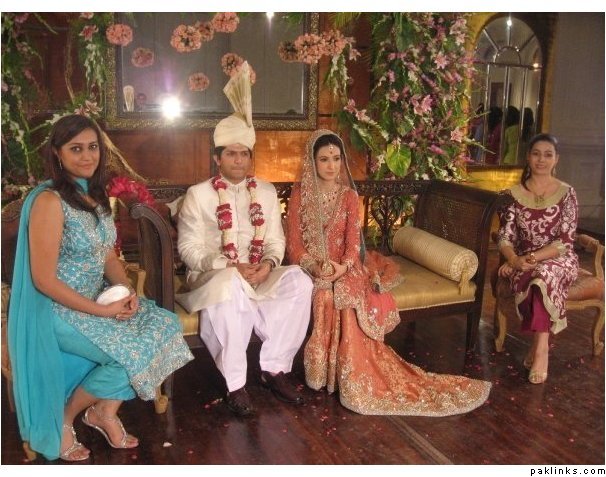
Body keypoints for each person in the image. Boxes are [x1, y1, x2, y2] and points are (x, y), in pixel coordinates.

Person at [7, 114, 194, 462]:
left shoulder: (94, 195)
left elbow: (108, 256)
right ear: (57, 153)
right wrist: (102, 311)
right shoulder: (50, 201)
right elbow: (43, 280)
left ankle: (102, 411)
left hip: (99, 301)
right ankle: (66, 418)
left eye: (92, 147)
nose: (87, 156)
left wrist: (125, 290)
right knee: (130, 355)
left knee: (166, 326)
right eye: (76, 148)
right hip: (59, 309)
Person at [285, 129, 492, 415]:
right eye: (324, 159)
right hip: (311, 267)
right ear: (312, 161)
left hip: (346, 266)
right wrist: (314, 265)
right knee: (323, 294)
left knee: (341, 294)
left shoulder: (348, 196)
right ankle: (323, 373)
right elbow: (294, 244)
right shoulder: (300, 195)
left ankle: (343, 374)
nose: (331, 165)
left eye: (336, 158)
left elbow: (353, 244)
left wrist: (342, 267)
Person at [177, 62, 313, 417]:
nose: (238, 160)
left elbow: (275, 241)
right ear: (217, 158)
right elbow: (188, 250)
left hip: (258, 273)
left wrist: (268, 264)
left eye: (244, 153)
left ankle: (274, 369)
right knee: (231, 286)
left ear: (251, 157)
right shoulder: (198, 194)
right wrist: (229, 266)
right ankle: (235, 384)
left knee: (300, 281)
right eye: (231, 153)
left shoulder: (265, 191)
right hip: (213, 276)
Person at [497, 133, 578, 384]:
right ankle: (538, 345)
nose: (541, 160)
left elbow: (565, 242)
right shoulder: (512, 194)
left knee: (543, 274)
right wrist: (513, 260)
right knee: (536, 276)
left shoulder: (567, 193)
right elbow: (505, 237)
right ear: (528, 157)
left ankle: (541, 349)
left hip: (559, 259)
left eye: (548, 155)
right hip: (522, 261)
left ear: (556, 159)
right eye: (536, 154)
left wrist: (531, 258)